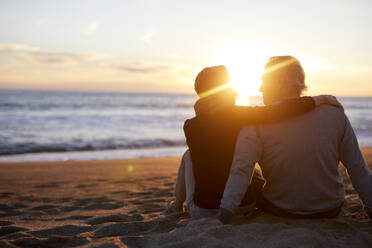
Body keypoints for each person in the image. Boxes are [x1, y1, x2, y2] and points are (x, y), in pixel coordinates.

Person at [168, 65, 342, 220]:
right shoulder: (240, 116)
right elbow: (280, 110)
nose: (236, 91)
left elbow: (209, 159)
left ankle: (176, 203)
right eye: (231, 86)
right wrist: (319, 100)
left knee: (189, 155)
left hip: (203, 211)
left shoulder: (190, 126)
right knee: (248, 165)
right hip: (246, 208)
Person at [216, 56, 372, 224]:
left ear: (281, 81)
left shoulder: (256, 122)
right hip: (330, 209)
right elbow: (357, 168)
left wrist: (222, 218)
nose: (260, 88)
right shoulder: (335, 114)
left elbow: (240, 173)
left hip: (281, 210)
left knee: (253, 178)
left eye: (263, 81)